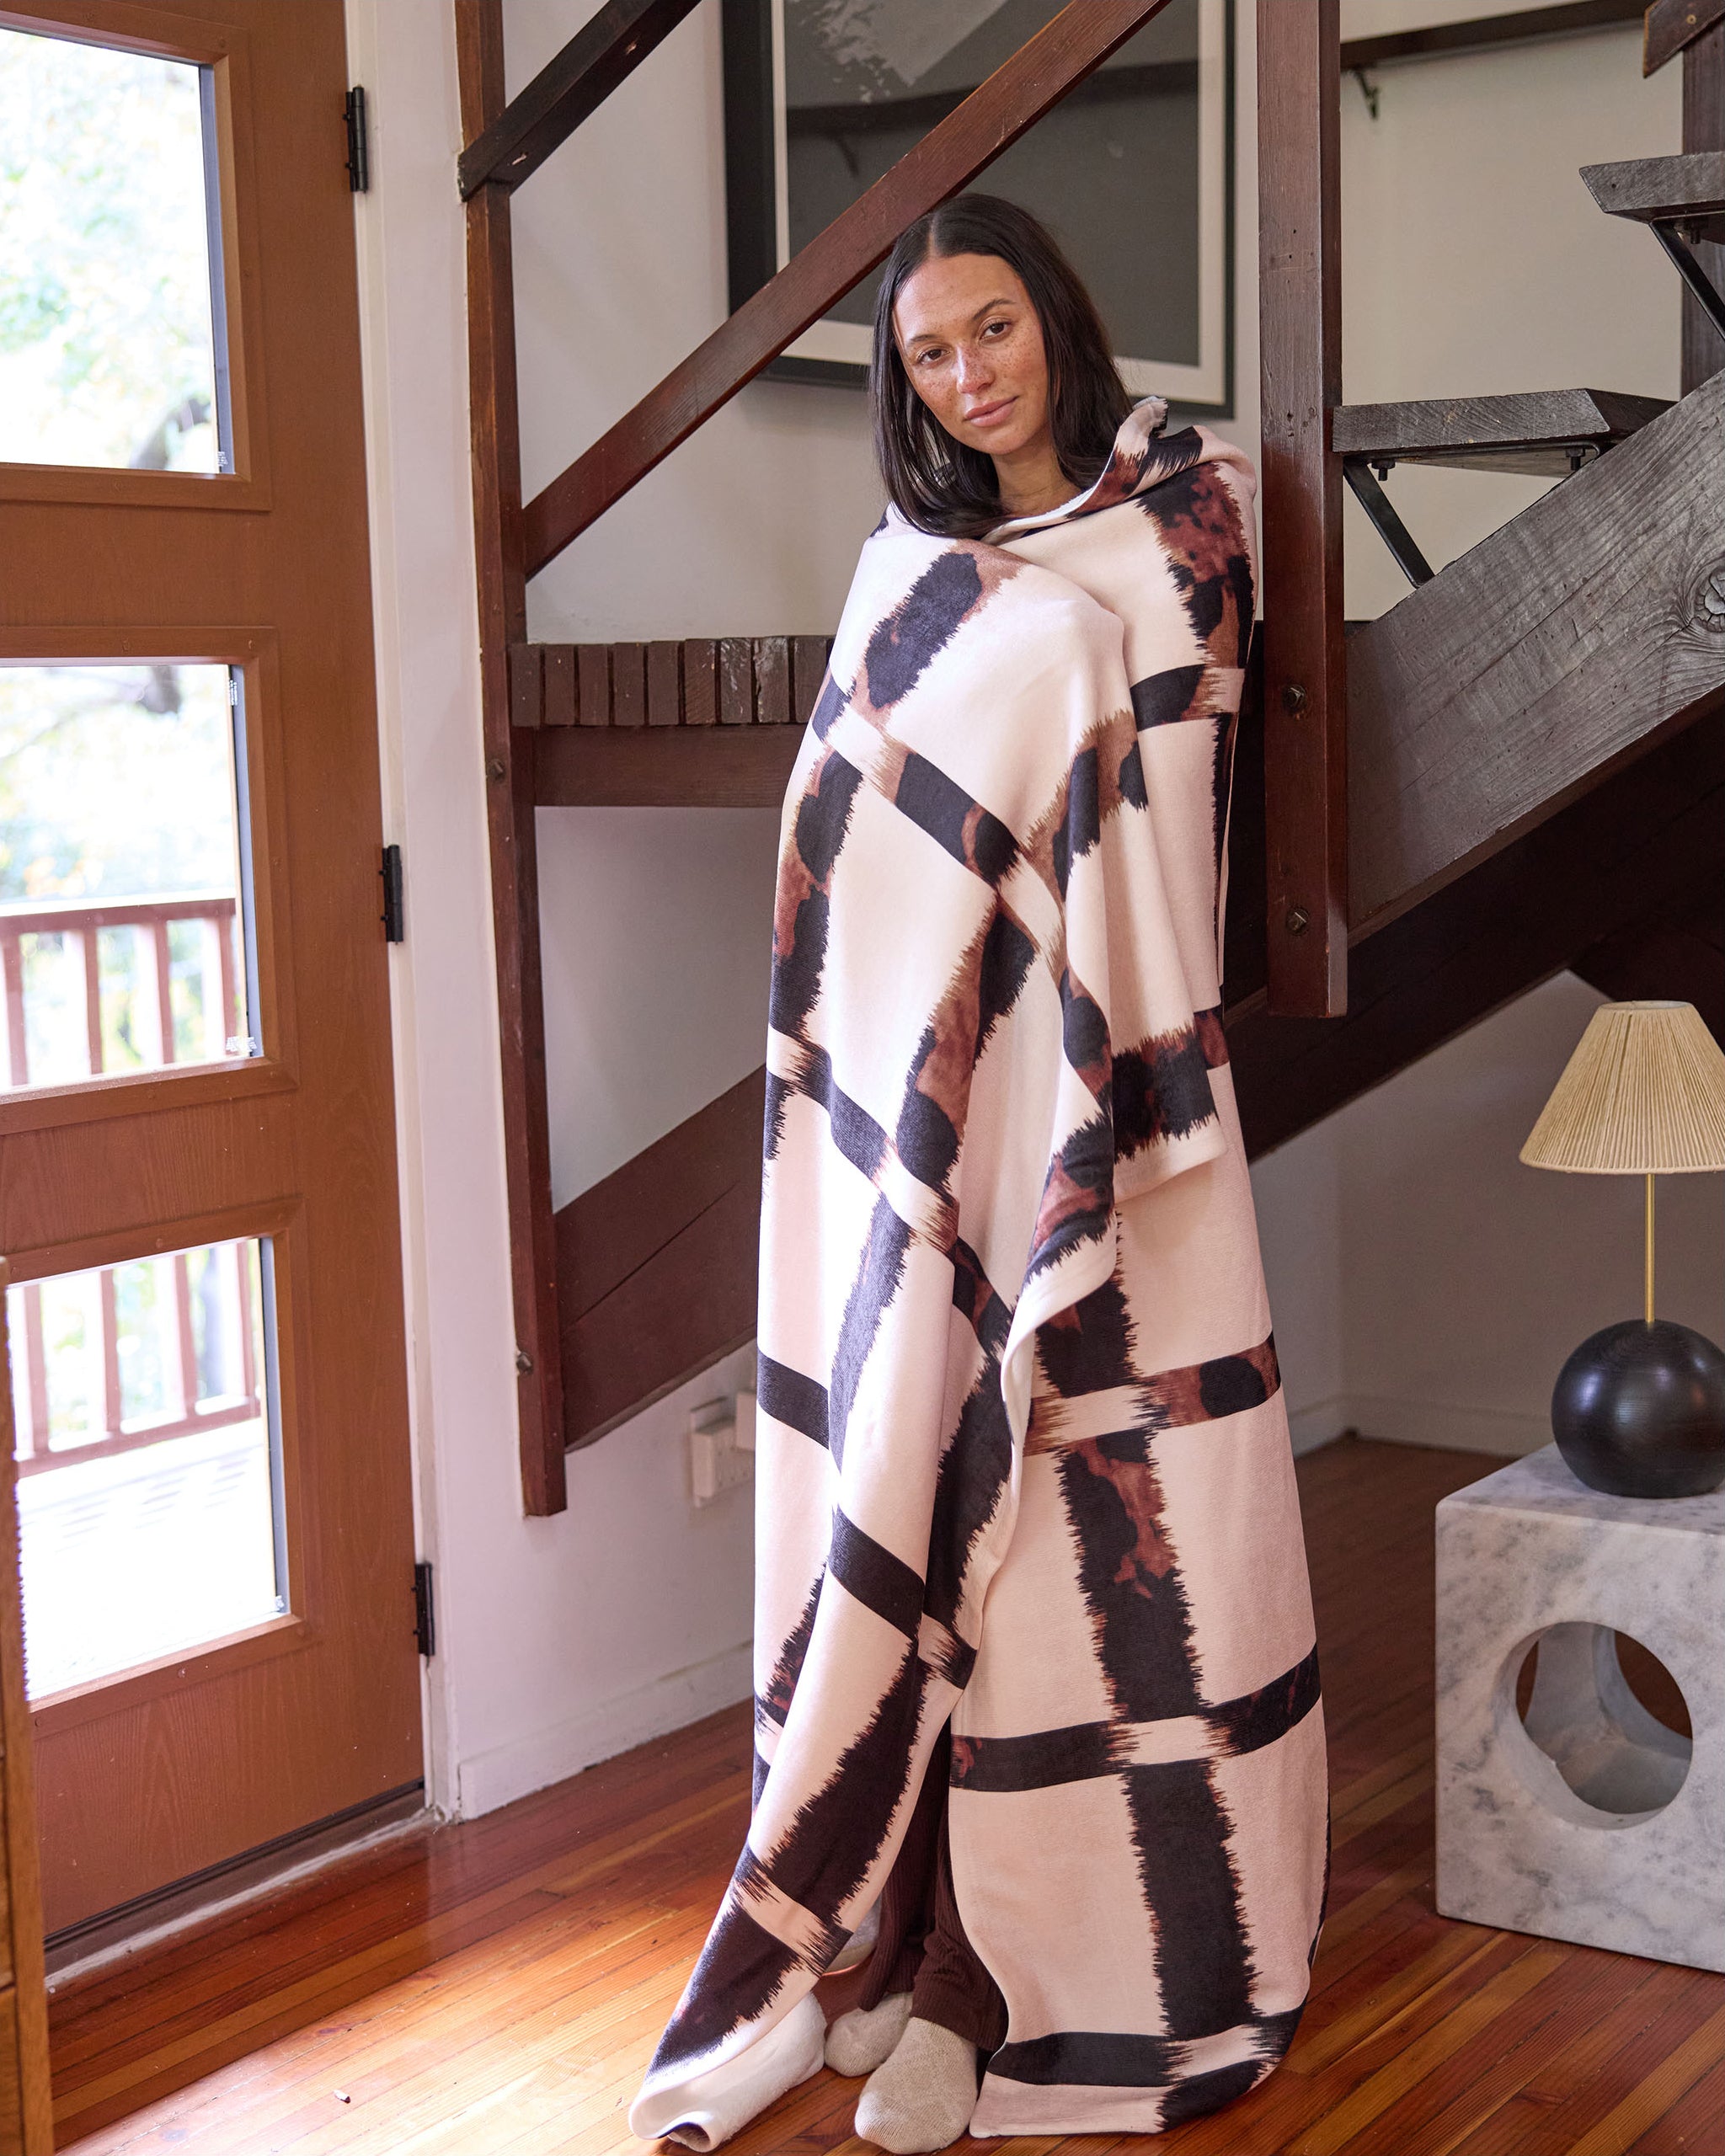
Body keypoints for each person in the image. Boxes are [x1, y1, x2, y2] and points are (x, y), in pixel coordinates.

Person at [630, 194, 1327, 2155]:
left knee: (1081, 1552)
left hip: (1112, 1087)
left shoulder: (1180, 516)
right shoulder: (907, 574)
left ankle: (1000, 1984)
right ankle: (891, 1937)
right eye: (930, 355)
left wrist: (1041, 647)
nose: (969, 376)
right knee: (928, 1504)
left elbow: (1157, 775)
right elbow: (843, 824)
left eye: (993, 329)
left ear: (1057, 314)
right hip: (929, 1105)